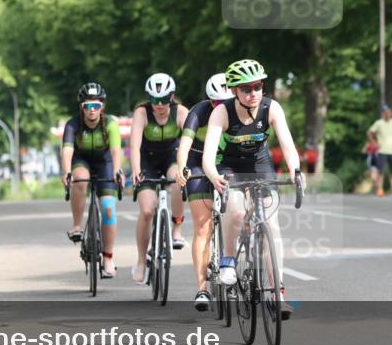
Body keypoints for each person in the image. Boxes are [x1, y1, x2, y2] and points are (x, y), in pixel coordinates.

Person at [201, 59, 304, 320]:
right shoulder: (221, 112)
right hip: (230, 166)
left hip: (260, 163)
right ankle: (227, 259)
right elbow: (209, 155)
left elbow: (289, 146)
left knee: (272, 224)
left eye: (258, 86)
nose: (253, 93)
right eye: (246, 89)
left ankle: (277, 293)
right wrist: (213, 176)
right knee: (235, 209)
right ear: (235, 90)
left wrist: (294, 170)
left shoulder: (271, 108)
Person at [176, 73, 233, 311]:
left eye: (226, 103)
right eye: (216, 103)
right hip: (199, 164)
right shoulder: (198, 113)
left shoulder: (240, 111)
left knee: (238, 218)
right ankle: (202, 289)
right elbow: (184, 146)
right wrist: (181, 168)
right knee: (202, 227)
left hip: (228, 162)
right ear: (209, 102)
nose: (221, 107)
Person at [129, 73, 189, 284]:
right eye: (155, 100)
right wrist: (136, 169)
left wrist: (188, 167)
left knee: (178, 180)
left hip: (172, 157)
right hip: (147, 161)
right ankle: (141, 261)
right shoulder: (142, 113)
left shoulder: (181, 112)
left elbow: (191, 141)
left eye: (164, 99)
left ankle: (176, 229)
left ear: (172, 97)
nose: (160, 105)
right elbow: (134, 146)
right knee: (146, 210)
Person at [61, 82, 125, 278]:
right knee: (80, 178)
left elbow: (115, 150)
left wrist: (117, 170)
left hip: (104, 161)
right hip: (83, 160)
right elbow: (67, 151)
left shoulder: (111, 124)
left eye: (96, 106)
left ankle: (108, 258)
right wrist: (66, 172)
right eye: (87, 106)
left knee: (107, 207)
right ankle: (77, 226)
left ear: (102, 107)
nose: (92, 111)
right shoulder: (73, 124)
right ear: (81, 107)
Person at [367, 104, 392, 197]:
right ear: (383, 113)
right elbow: (369, 132)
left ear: (391, 113)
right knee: (381, 171)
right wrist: (374, 143)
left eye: (389, 112)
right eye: (385, 112)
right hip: (382, 151)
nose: (387, 114)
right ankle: (380, 189)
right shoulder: (379, 123)